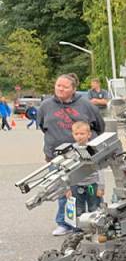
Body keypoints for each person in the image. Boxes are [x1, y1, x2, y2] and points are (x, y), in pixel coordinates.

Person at [37, 74, 105, 236]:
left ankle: (95, 222)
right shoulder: (46, 106)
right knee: (63, 190)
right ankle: (65, 223)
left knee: (88, 191)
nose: (60, 89)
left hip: (83, 156)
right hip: (57, 157)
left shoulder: (86, 105)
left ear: (73, 89)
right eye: (58, 85)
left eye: (65, 86)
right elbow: (42, 125)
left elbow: (99, 126)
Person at [66, 121, 105, 221]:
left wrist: (101, 186)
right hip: (76, 184)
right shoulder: (71, 151)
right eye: (76, 134)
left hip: (92, 184)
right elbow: (67, 170)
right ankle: (80, 228)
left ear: (89, 134)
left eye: (82, 134)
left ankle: (97, 227)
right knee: (78, 209)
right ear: (73, 134)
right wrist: (67, 188)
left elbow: (99, 168)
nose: (79, 136)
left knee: (95, 207)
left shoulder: (92, 149)